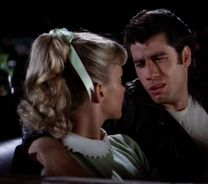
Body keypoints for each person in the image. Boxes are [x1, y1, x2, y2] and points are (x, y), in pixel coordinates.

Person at [105, 8, 208, 182]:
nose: (150, 73)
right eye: (140, 63)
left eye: (159, 58)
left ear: (186, 57)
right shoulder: (124, 111)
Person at [13, 28, 156, 180]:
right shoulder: (46, 164)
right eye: (120, 80)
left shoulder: (129, 147)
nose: (125, 88)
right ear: (98, 91)